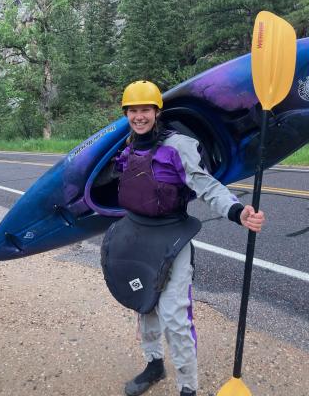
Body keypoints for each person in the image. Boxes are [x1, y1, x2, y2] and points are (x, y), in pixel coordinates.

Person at [100, 80, 265, 396]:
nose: (139, 116)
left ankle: (187, 387)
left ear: (156, 111)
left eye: (145, 109)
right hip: (135, 236)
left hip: (172, 238)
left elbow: (208, 186)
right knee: (144, 307)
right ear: (126, 113)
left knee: (175, 318)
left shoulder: (179, 146)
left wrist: (237, 211)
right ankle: (153, 364)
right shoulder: (125, 146)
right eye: (133, 110)